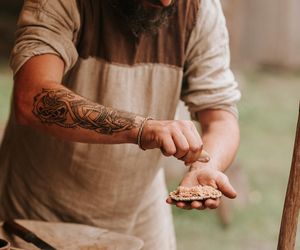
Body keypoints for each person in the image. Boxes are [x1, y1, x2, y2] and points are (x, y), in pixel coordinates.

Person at [0, 0, 241, 249]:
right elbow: (31, 97)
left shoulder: (200, 9)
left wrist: (208, 167)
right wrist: (142, 129)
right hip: (38, 210)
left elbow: (220, 115)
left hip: (142, 212)